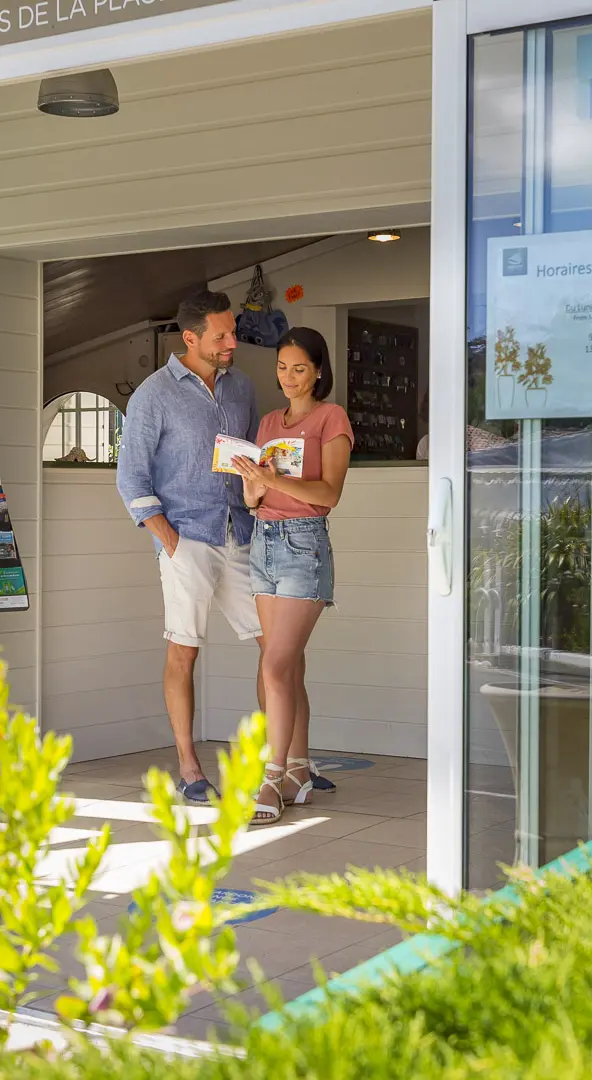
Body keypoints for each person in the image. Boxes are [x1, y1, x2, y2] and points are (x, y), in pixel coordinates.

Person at [116, 290, 263, 804]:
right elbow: (130, 477)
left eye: (233, 331)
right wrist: (168, 539)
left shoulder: (242, 387)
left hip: (240, 533)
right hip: (186, 538)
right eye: (221, 335)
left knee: (277, 643)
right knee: (185, 649)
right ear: (191, 338)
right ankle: (189, 767)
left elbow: (251, 460)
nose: (232, 342)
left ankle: (286, 761)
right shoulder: (153, 395)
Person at [230, 326, 352, 824]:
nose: (289, 377)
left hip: (305, 544)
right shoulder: (266, 423)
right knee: (287, 664)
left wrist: (274, 478)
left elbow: (329, 495)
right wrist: (252, 484)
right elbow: (252, 499)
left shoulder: (332, 418)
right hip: (263, 543)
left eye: (299, 368)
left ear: (319, 370)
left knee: (275, 667)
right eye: (282, 367)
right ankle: (299, 768)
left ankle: (272, 776)